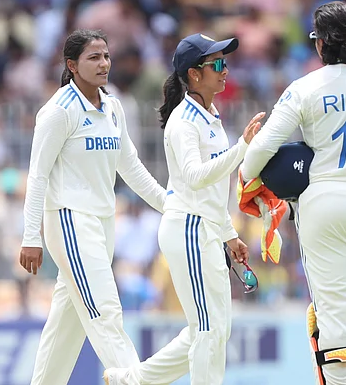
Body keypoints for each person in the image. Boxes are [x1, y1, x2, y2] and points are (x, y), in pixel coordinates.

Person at [240, 1, 346, 385]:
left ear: (322, 44)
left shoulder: (305, 88)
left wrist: (256, 172)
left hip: (327, 204)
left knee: (335, 321)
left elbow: (257, 157)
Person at [103, 34, 264, 385]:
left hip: (204, 227)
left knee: (213, 330)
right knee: (207, 330)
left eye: (225, 63)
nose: (225, 71)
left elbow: (215, 190)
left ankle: (131, 380)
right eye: (217, 64)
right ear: (194, 74)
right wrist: (241, 149)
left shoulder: (209, 115)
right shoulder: (183, 121)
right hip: (188, 229)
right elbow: (194, 177)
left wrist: (229, 234)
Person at [19, 29, 167, 384]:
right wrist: (30, 237)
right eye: (93, 58)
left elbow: (130, 166)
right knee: (105, 312)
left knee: (65, 326)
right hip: (70, 221)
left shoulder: (113, 106)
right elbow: (37, 176)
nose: (103, 64)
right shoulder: (57, 111)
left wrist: (171, 206)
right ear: (72, 65)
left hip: (102, 222)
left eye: (105, 56)